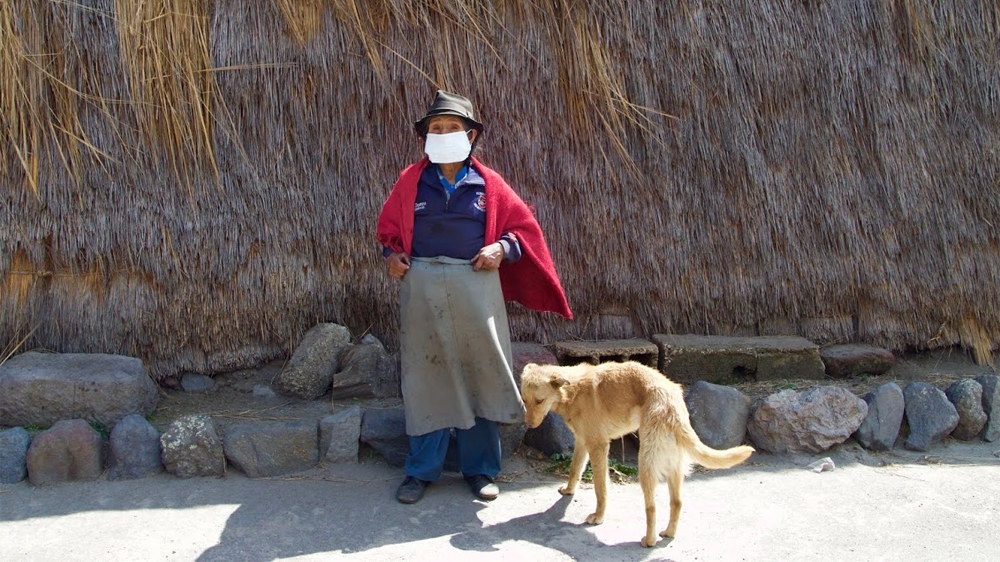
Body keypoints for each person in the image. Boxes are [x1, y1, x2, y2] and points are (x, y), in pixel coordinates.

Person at [377, 90, 573, 504]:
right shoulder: (411, 181)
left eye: (453, 127)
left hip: (476, 285)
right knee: (426, 378)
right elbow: (389, 233)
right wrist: (391, 256)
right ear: (426, 137)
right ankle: (420, 471)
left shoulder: (488, 184)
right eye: (436, 128)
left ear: (470, 136)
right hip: (423, 289)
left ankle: (480, 470)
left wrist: (501, 248)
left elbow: (522, 231)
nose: (444, 133)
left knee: (481, 374)